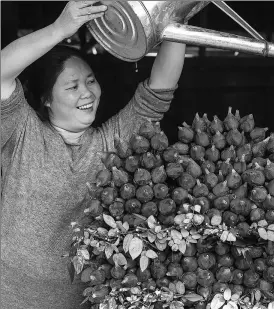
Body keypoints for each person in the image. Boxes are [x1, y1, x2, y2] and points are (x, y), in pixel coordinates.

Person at [1, 1, 187, 308]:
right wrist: (61, 28)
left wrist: (175, 17)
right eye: (72, 86)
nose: (87, 93)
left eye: (90, 81)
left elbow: (159, 90)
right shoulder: (22, 131)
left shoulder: (112, 142)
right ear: (47, 98)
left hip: (82, 302)